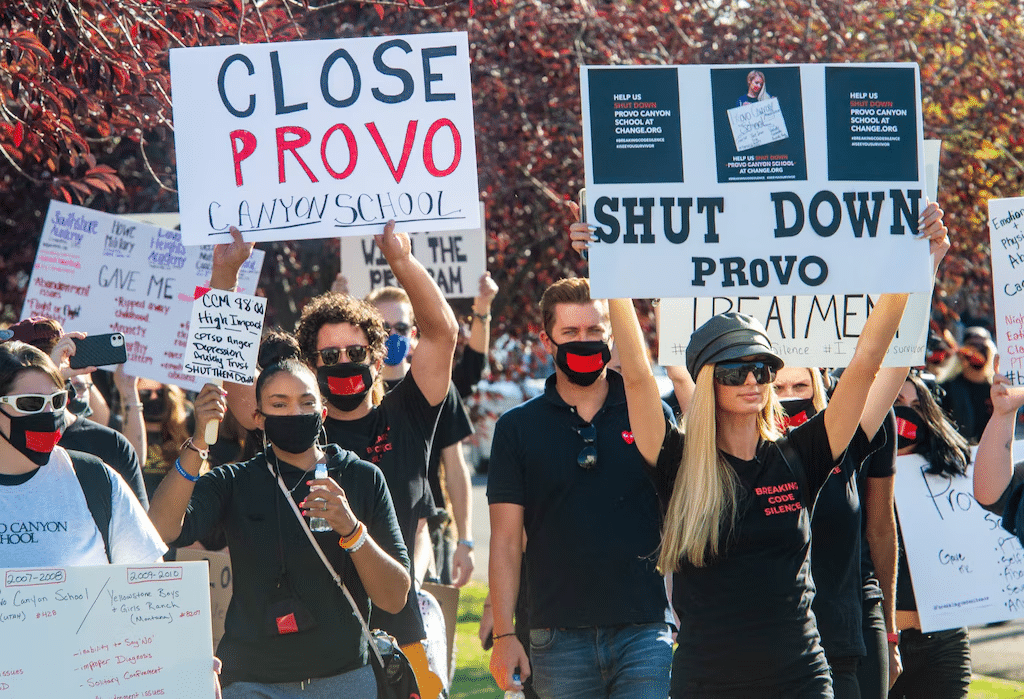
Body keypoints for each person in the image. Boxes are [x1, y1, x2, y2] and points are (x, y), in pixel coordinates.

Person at [214, 222, 458, 699]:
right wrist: (226, 276)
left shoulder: (407, 414)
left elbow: (443, 333)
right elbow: (232, 370)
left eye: (354, 351)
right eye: (328, 355)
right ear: (308, 365)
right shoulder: (288, 424)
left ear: (376, 355)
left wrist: (402, 262)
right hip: (315, 656)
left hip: (399, 637)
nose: (343, 362)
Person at [147, 358, 410, 696]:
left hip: (344, 679)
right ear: (258, 417)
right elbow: (161, 529)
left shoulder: (361, 477)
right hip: (252, 682)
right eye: (279, 404)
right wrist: (200, 441)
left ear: (323, 412)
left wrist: (352, 530)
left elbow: (394, 598)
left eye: (306, 402)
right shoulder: (235, 481)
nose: (294, 413)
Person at [488, 277, 674, 699]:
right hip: (556, 638)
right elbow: (504, 541)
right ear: (546, 340)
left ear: (612, 336)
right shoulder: (517, 428)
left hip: (644, 630)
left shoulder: (649, 414)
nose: (583, 342)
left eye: (595, 332)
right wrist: (504, 635)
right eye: (570, 333)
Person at [0, 340, 166, 567]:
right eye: (31, 403)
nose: (49, 413)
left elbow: (151, 583)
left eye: (57, 400)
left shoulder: (96, 478)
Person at [365, 283, 476, 588]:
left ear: (413, 334)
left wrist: (465, 541)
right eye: (382, 327)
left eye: (401, 327)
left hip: (427, 532)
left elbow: (455, 466)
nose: (392, 334)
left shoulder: (436, 389)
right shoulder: (352, 391)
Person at [888, 372, 973, 699]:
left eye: (917, 405)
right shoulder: (858, 477)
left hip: (945, 639)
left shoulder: (952, 473)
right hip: (883, 640)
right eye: (897, 404)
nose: (908, 414)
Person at [941, 325, 997, 443]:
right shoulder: (946, 389)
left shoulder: (997, 388)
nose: (977, 351)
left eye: (983, 347)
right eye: (973, 346)